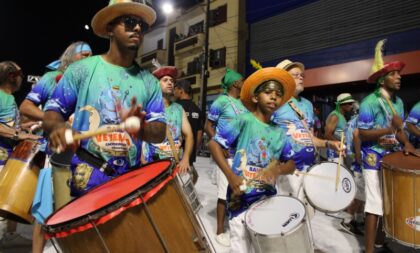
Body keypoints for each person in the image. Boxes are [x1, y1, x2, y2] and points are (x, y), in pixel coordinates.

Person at [42, 0, 166, 197]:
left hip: (130, 180)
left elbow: (159, 132)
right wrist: (58, 127)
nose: (136, 28)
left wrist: (141, 128)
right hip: (86, 176)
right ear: (110, 29)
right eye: (128, 21)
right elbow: (52, 113)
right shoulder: (81, 70)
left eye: (141, 25)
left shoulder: (150, 82)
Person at [208, 67, 296, 253]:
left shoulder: (281, 132)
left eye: (278, 94)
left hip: (267, 200)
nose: (273, 97)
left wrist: (278, 170)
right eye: (268, 92)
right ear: (256, 98)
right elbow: (214, 145)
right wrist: (231, 176)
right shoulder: (244, 120)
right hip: (241, 200)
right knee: (240, 246)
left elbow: (291, 163)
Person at [19, 41, 92, 253]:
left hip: (84, 156)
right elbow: (26, 106)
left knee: (78, 214)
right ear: (70, 56)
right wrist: (55, 121)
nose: (89, 59)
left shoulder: (91, 81)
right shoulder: (52, 78)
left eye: (91, 55)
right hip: (56, 153)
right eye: (84, 55)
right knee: (46, 211)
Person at [358, 39, 418, 253]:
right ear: (382, 79)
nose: (399, 77)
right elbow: (362, 133)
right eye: (393, 74)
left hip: (390, 156)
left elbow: (400, 129)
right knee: (374, 205)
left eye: (399, 74)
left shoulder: (399, 102)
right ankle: (368, 250)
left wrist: (407, 142)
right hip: (372, 156)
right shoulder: (369, 103)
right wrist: (388, 129)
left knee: (388, 203)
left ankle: (380, 242)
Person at [272, 59, 342, 199]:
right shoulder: (274, 102)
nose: (301, 78)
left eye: (302, 75)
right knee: (288, 215)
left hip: (309, 168)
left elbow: (311, 138)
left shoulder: (307, 105)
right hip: (287, 171)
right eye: (295, 75)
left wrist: (329, 144)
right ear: (282, 79)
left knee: (307, 215)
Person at [204, 68, 247, 247]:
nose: (244, 83)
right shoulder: (221, 101)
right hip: (225, 153)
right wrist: (219, 145)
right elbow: (208, 126)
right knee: (223, 193)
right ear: (235, 83)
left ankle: (236, 221)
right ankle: (220, 230)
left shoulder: (243, 104)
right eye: (242, 80)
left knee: (240, 190)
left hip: (241, 154)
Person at [0, 61, 40, 249]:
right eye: (20, 75)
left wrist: (28, 128)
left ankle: (9, 234)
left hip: (8, 156)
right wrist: (19, 134)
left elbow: (10, 125)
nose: (22, 79)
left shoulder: (9, 98)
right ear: (11, 76)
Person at [143, 65, 193, 174]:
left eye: (171, 80)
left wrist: (185, 158)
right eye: (165, 80)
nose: (170, 83)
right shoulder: (147, 108)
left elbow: (189, 135)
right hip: (152, 165)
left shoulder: (178, 109)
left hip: (174, 165)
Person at [174, 79, 204, 183]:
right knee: (187, 184)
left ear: (181, 91)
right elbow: (199, 133)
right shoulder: (197, 109)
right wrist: (193, 150)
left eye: (175, 89)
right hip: (189, 155)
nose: (174, 92)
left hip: (175, 154)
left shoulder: (175, 107)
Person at [324, 93, 355, 162]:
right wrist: (339, 145)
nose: (351, 106)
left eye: (352, 103)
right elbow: (327, 135)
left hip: (340, 149)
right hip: (335, 150)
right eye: (349, 103)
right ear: (341, 104)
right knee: (335, 172)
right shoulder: (335, 116)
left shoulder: (342, 116)